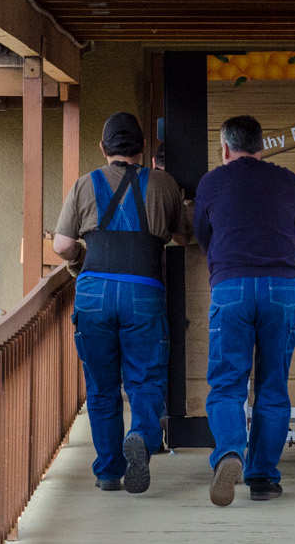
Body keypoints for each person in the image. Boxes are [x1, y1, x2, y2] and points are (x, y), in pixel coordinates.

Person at [52, 112, 191, 493]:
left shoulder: (85, 184)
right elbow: (183, 237)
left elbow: (62, 245)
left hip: (94, 290)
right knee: (145, 380)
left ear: (103, 148)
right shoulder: (163, 183)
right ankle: (142, 440)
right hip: (143, 289)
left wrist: (82, 263)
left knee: (101, 386)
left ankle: (108, 471)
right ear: (143, 148)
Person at [194, 116, 295, 506]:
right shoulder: (287, 180)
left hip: (230, 287)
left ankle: (229, 452)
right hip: (282, 287)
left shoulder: (211, 182)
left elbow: (202, 235)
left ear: (225, 148)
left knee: (227, 384)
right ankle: (263, 478)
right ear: (263, 146)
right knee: (272, 386)